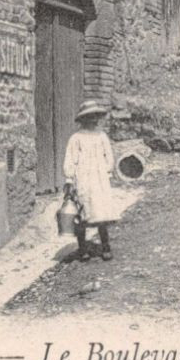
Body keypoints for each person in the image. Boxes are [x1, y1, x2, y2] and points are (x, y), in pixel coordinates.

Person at [62, 102, 133, 261]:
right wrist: (70, 178)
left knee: (101, 211)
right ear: (83, 119)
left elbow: (109, 157)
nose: (93, 120)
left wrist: (107, 171)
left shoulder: (102, 136)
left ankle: (106, 246)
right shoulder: (76, 138)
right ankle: (83, 248)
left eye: (95, 117)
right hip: (83, 178)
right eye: (89, 117)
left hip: (99, 178)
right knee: (82, 211)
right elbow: (70, 160)